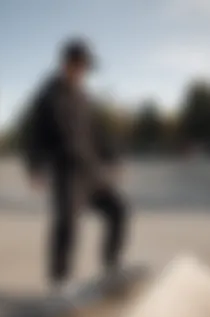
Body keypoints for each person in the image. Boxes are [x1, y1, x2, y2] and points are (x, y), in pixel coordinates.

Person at [18, 38, 128, 302]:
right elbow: (35, 135)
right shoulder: (47, 96)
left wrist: (113, 159)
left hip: (91, 172)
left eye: (86, 69)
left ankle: (110, 268)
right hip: (66, 172)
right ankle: (60, 284)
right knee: (67, 224)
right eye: (80, 67)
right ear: (67, 64)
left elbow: (98, 133)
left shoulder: (84, 98)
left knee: (118, 209)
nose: (83, 73)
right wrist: (35, 167)